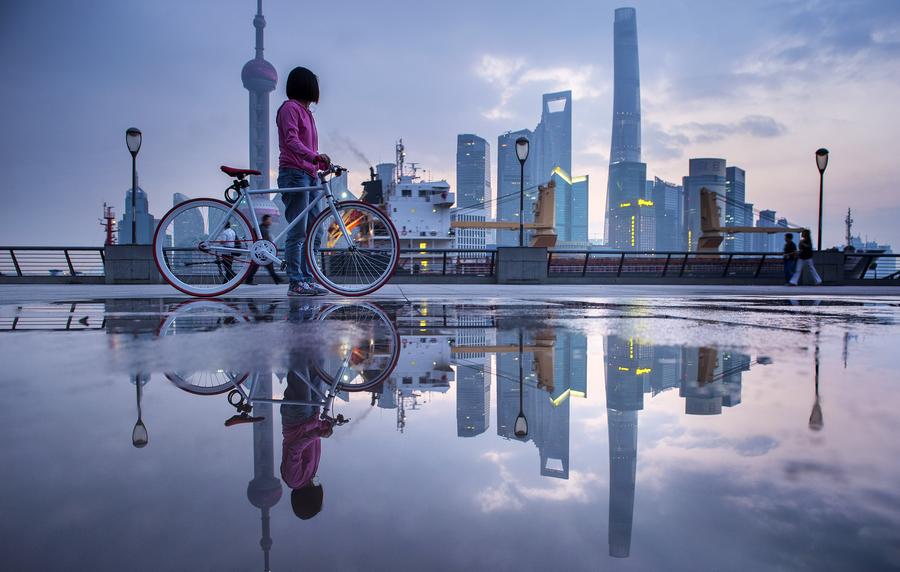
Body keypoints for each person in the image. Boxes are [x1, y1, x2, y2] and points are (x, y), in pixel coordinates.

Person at [277, 66, 331, 297]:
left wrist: (319, 163)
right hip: (294, 173)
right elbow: (291, 140)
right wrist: (313, 157)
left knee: (315, 233)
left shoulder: (307, 113)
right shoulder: (290, 108)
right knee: (298, 231)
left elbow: (309, 149)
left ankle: (307, 279)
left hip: (308, 174)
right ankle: (295, 282)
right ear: (307, 86)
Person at [244, 214, 282, 285]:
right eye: (269, 220)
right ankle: (277, 280)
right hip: (261, 251)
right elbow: (265, 241)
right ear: (265, 220)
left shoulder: (261, 228)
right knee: (265, 266)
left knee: (257, 266)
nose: (270, 221)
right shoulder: (262, 229)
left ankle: (277, 280)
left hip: (260, 251)